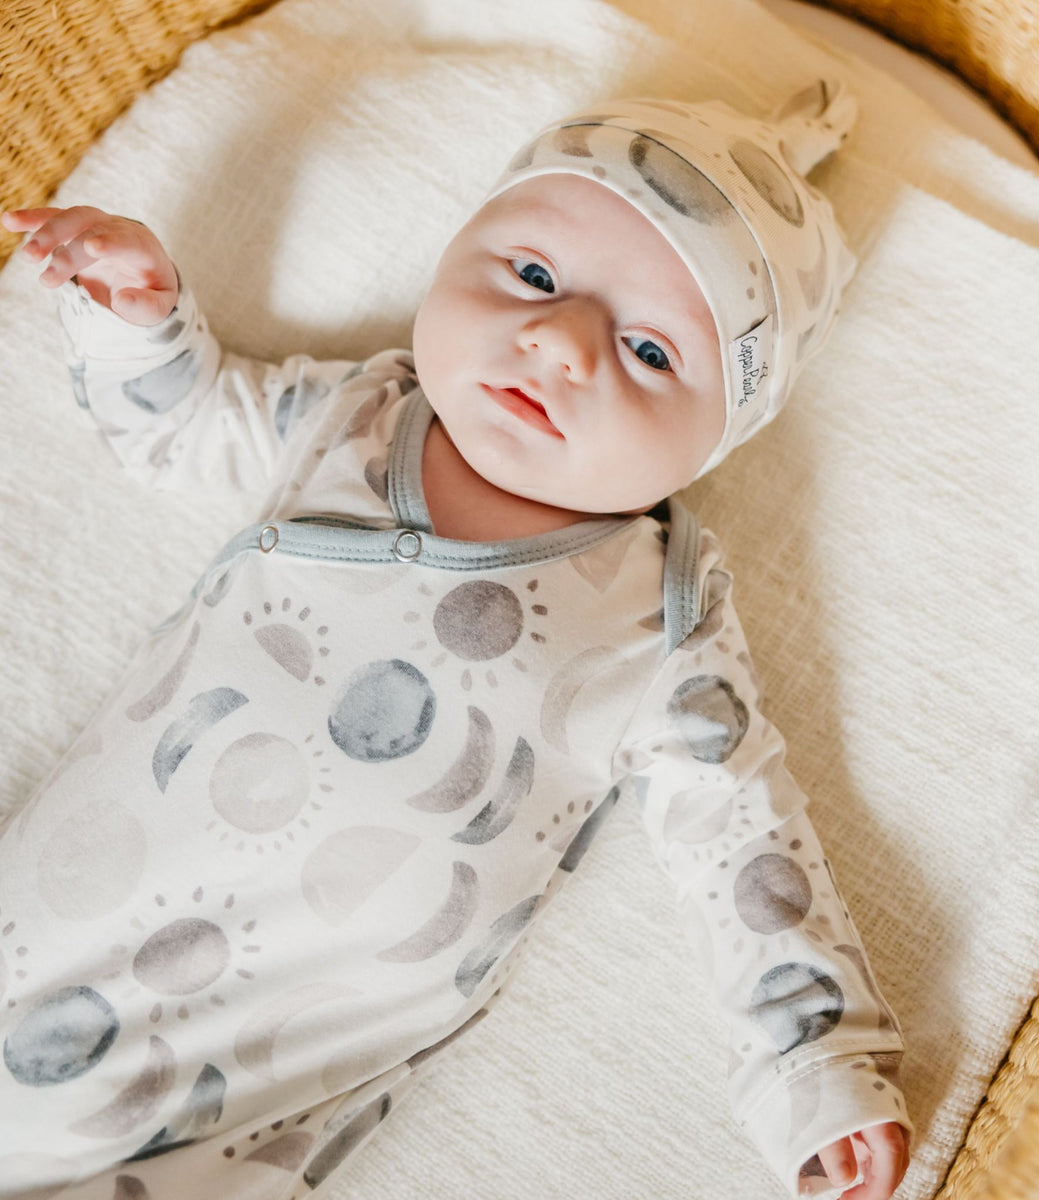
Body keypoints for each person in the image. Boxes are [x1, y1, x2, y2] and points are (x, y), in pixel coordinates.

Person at [0, 83, 911, 1199]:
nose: (562, 343)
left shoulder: (658, 616)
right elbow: (186, 429)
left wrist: (814, 1061)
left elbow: (741, 842)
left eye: (651, 353)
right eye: (534, 275)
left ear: (713, 447)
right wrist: (135, 313)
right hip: (63, 906)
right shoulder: (356, 420)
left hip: (271, 1060)